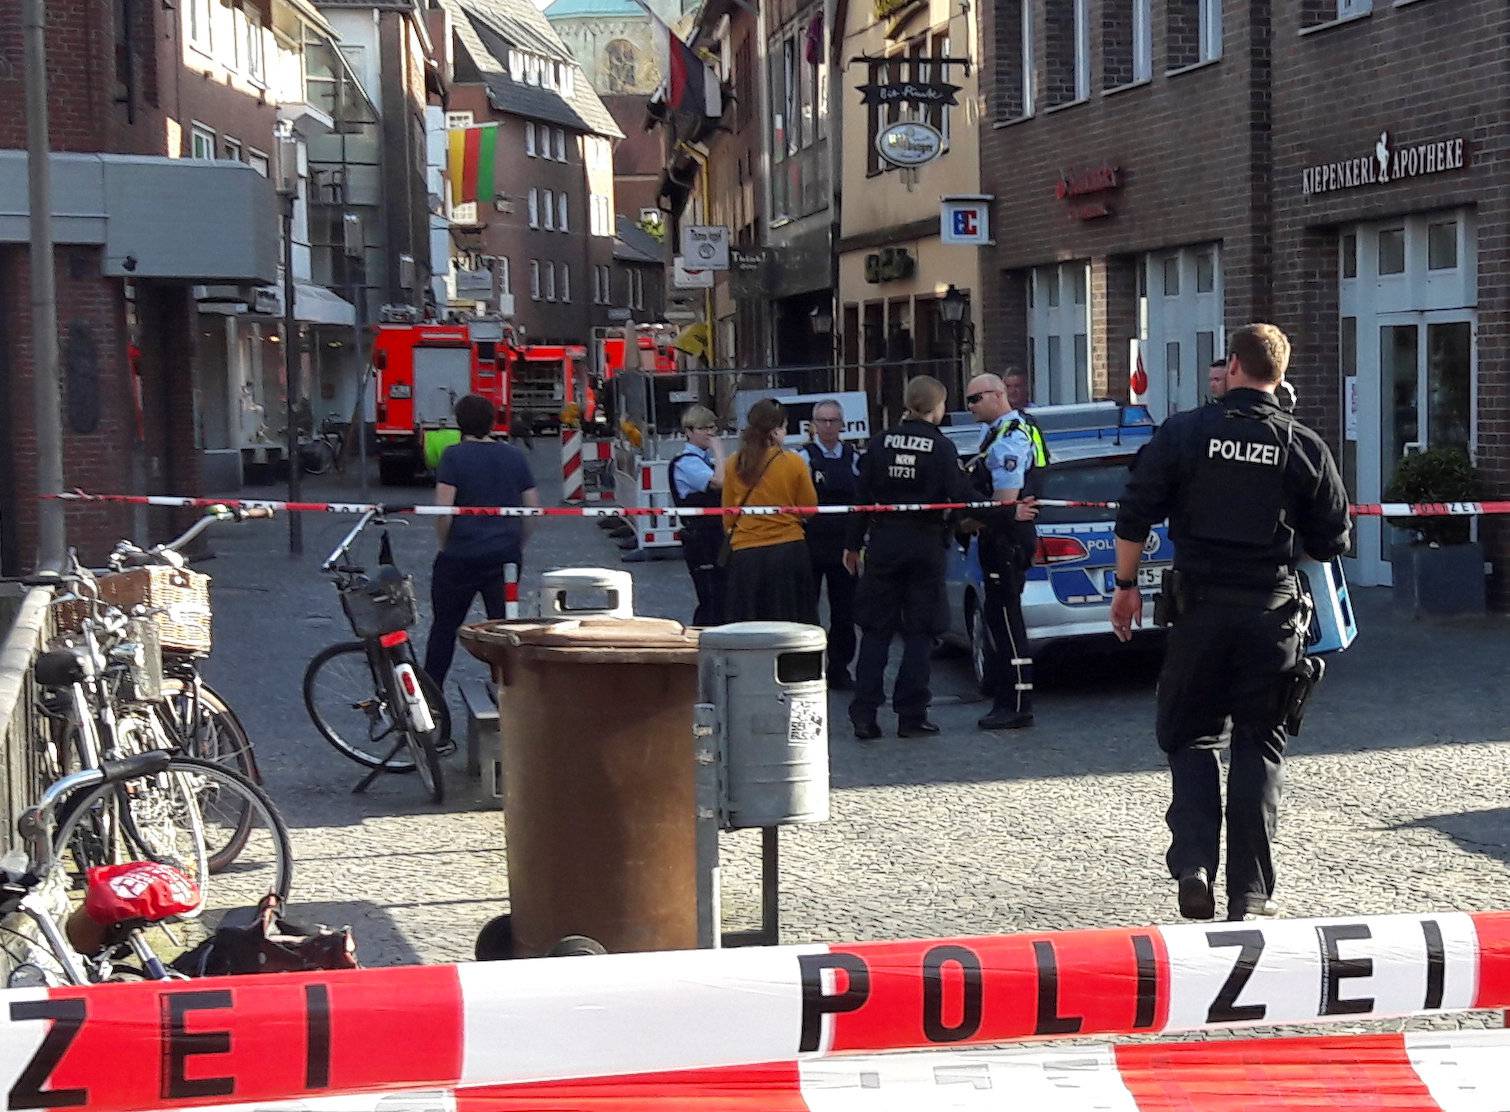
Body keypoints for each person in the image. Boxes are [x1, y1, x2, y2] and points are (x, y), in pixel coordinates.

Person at [1109, 323, 1350, 923]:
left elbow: (1135, 512)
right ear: (1280, 374)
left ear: (1234, 366)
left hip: (1199, 615)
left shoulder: (1186, 433)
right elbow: (1331, 539)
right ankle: (1250, 895)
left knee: (1190, 737)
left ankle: (1193, 866)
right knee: (1258, 746)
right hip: (1271, 618)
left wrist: (1125, 587)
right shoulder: (1302, 444)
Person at [844, 376, 972, 740]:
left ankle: (865, 715)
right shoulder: (941, 447)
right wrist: (1001, 512)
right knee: (920, 633)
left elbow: (861, 498)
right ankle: (911, 714)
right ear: (936, 407)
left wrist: (852, 545)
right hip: (925, 545)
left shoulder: (879, 444)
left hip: (884, 543)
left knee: (875, 631)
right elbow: (960, 495)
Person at [424, 394, 540, 686]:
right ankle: (508, 692)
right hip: (503, 558)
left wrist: (444, 544)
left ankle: (430, 696)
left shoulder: (453, 456)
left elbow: (443, 510)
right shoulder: (514, 456)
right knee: (504, 631)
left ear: (459, 423)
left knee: (444, 629)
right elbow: (532, 508)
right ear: (492, 422)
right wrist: (518, 544)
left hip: (459, 557)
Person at [961, 372, 1043, 731]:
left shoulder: (1010, 439)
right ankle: (1007, 699)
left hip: (1006, 539)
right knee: (998, 619)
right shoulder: (998, 432)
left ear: (998, 395)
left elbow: (1004, 501)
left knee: (1007, 623)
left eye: (975, 399)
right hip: (1002, 535)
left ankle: (1016, 704)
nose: (970, 407)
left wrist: (969, 521)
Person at [721, 398, 819, 624]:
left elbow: (728, 514)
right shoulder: (793, 463)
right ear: (776, 431)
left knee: (750, 627)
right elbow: (809, 507)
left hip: (746, 555)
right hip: (787, 551)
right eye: (785, 427)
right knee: (790, 625)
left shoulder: (734, 463)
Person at [801, 400, 861, 689]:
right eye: (822, 421)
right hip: (811, 544)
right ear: (813, 425)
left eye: (833, 421)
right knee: (806, 610)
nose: (827, 427)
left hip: (844, 545)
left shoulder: (854, 457)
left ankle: (839, 668)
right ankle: (808, 666)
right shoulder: (803, 458)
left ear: (842, 425)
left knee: (844, 611)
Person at [670, 404, 726, 627]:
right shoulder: (688, 463)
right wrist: (719, 451)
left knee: (720, 597)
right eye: (704, 428)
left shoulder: (702, 461)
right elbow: (719, 483)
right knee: (711, 599)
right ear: (689, 431)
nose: (710, 433)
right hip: (701, 539)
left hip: (714, 537)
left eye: (712, 427)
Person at [1002, 368, 1051, 468]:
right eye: (1008, 387)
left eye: (1017, 386)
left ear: (1026, 388)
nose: (1012, 391)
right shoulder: (996, 420)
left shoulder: (1038, 416)